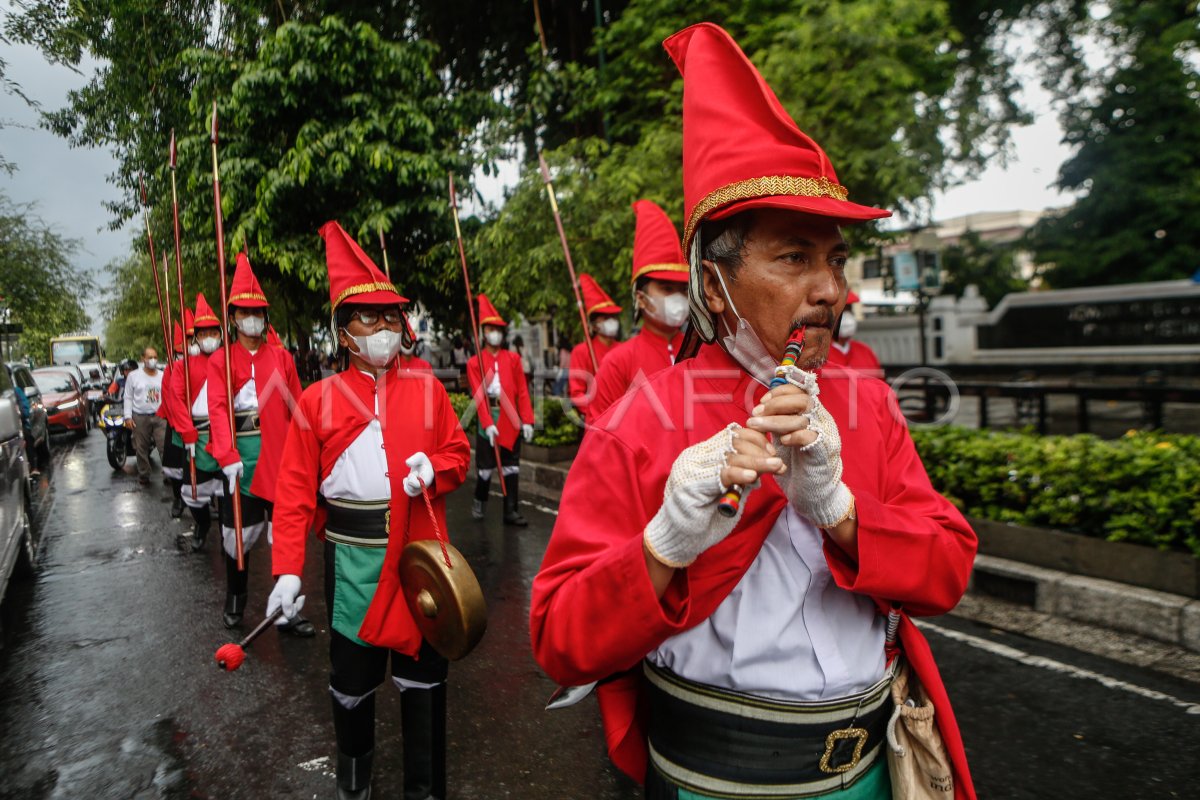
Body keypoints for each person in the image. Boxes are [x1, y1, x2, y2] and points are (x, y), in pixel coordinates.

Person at [530, 23, 977, 800]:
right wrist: (664, 545)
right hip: (712, 781)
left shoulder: (867, 402)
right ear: (713, 288)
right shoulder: (643, 418)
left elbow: (947, 569)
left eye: (835, 259)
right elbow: (560, 637)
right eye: (794, 257)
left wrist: (840, 510)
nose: (830, 289)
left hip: (869, 772)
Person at [268, 221, 471, 800]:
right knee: (352, 679)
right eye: (368, 317)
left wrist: (436, 467)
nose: (384, 328)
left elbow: (457, 453)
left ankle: (424, 787)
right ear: (342, 332)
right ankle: (354, 771)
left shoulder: (429, 389)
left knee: (425, 677)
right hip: (351, 560)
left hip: (419, 557)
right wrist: (286, 568)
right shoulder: (317, 400)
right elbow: (294, 494)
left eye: (391, 317)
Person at [207, 251, 310, 634]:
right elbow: (218, 409)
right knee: (237, 535)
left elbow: (298, 406)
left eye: (259, 311)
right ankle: (236, 599)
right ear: (233, 317)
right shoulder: (222, 361)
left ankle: (288, 608)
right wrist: (226, 453)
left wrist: (308, 452)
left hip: (280, 456)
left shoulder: (282, 358)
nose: (253, 319)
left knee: (286, 532)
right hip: (241, 459)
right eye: (246, 312)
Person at [590, 200, 691, 422]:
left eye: (683, 289)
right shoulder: (618, 361)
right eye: (666, 288)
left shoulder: (702, 351)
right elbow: (601, 433)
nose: (678, 298)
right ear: (641, 298)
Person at [162, 294, 226, 552]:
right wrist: (185, 429)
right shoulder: (183, 366)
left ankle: (228, 534)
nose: (209, 336)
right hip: (197, 434)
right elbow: (175, 398)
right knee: (195, 491)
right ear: (197, 337)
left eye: (214, 331)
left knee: (228, 489)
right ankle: (201, 524)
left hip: (224, 432)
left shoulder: (229, 361)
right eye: (204, 332)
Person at [466, 294, 535, 526]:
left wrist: (527, 420)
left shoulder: (513, 359)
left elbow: (522, 392)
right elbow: (478, 397)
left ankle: (511, 510)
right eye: (491, 329)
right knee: (486, 469)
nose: (496, 333)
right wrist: (487, 423)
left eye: (499, 329)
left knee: (511, 466)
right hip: (490, 416)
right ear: (484, 332)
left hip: (510, 416)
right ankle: (479, 499)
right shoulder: (475, 363)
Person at [567, 274, 623, 422]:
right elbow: (577, 392)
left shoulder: (624, 349)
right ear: (594, 325)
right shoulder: (581, 352)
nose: (611, 321)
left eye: (613, 317)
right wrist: (595, 411)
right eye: (605, 318)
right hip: (596, 420)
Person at [160, 312, 194, 517]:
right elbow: (169, 399)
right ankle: (178, 499)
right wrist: (181, 425)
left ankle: (207, 505)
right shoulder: (170, 371)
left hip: (201, 425)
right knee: (177, 466)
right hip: (177, 425)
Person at [124, 345, 166, 485]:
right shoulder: (133, 376)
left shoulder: (163, 375)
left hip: (160, 416)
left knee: (164, 445)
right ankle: (144, 474)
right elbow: (128, 397)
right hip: (140, 416)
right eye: (150, 357)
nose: (153, 360)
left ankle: (168, 474)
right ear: (143, 359)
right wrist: (128, 417)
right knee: (141, 448)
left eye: (155, 357)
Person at [825, 291, 884, 379]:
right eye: (841, 312)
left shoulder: (865, 352)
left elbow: (881, 388)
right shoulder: (819, 355)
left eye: (849, 310)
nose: (847, 318)